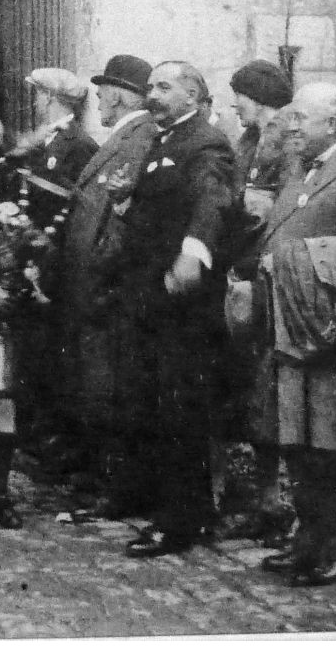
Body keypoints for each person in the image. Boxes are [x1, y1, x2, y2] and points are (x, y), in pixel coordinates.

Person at [247, 84, 336, 588]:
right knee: (297, 438)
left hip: (325, 329)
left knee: (333, 444)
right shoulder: (302, 169)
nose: (293, 125)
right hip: (288, 323)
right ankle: (309, 539)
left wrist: (287, 261)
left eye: (303, 117)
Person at [105, 61, 238, 558]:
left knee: (180, 406)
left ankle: (181, 522)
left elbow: (212, 200)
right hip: (150, 294)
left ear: (192, 94)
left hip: (182, 300)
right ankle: (162, 503)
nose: (152, 94)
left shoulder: (204, 142)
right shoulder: (163, 141)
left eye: (164, 87)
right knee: (153, 400)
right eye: (150, 87)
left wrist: (192, 253)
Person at [59, 54, 159, 519]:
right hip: (93, 286)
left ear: (119, 95)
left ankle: (117, 487)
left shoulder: (138, 140)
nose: (98, 100)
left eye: (102, 93)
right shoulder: (126, 137)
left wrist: (100, 277)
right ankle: (106, 480)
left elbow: (120, 219)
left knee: (112, 387)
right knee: (98, 385)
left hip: (106, 289)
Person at [216, 58, 295, 544]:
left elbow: (281, 210)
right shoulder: (245, 141)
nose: (235, 104)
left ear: (260, 97)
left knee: (264, 391)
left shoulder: (288, 144)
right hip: (237, 276)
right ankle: (235, 494)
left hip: (266, 282)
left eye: (241, 95)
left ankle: (271, 496)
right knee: (233, 386)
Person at [7, 68, 99, 480]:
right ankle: (36, 435)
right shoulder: (47, 139)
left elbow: (71, 207)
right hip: (34, 254)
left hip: (54, 262)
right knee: (34, 348)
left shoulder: (77, 144)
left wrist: (44, 249)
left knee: (53, 353)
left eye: (39, 95)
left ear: (53, 99)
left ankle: (55, 441)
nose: (34, 102)